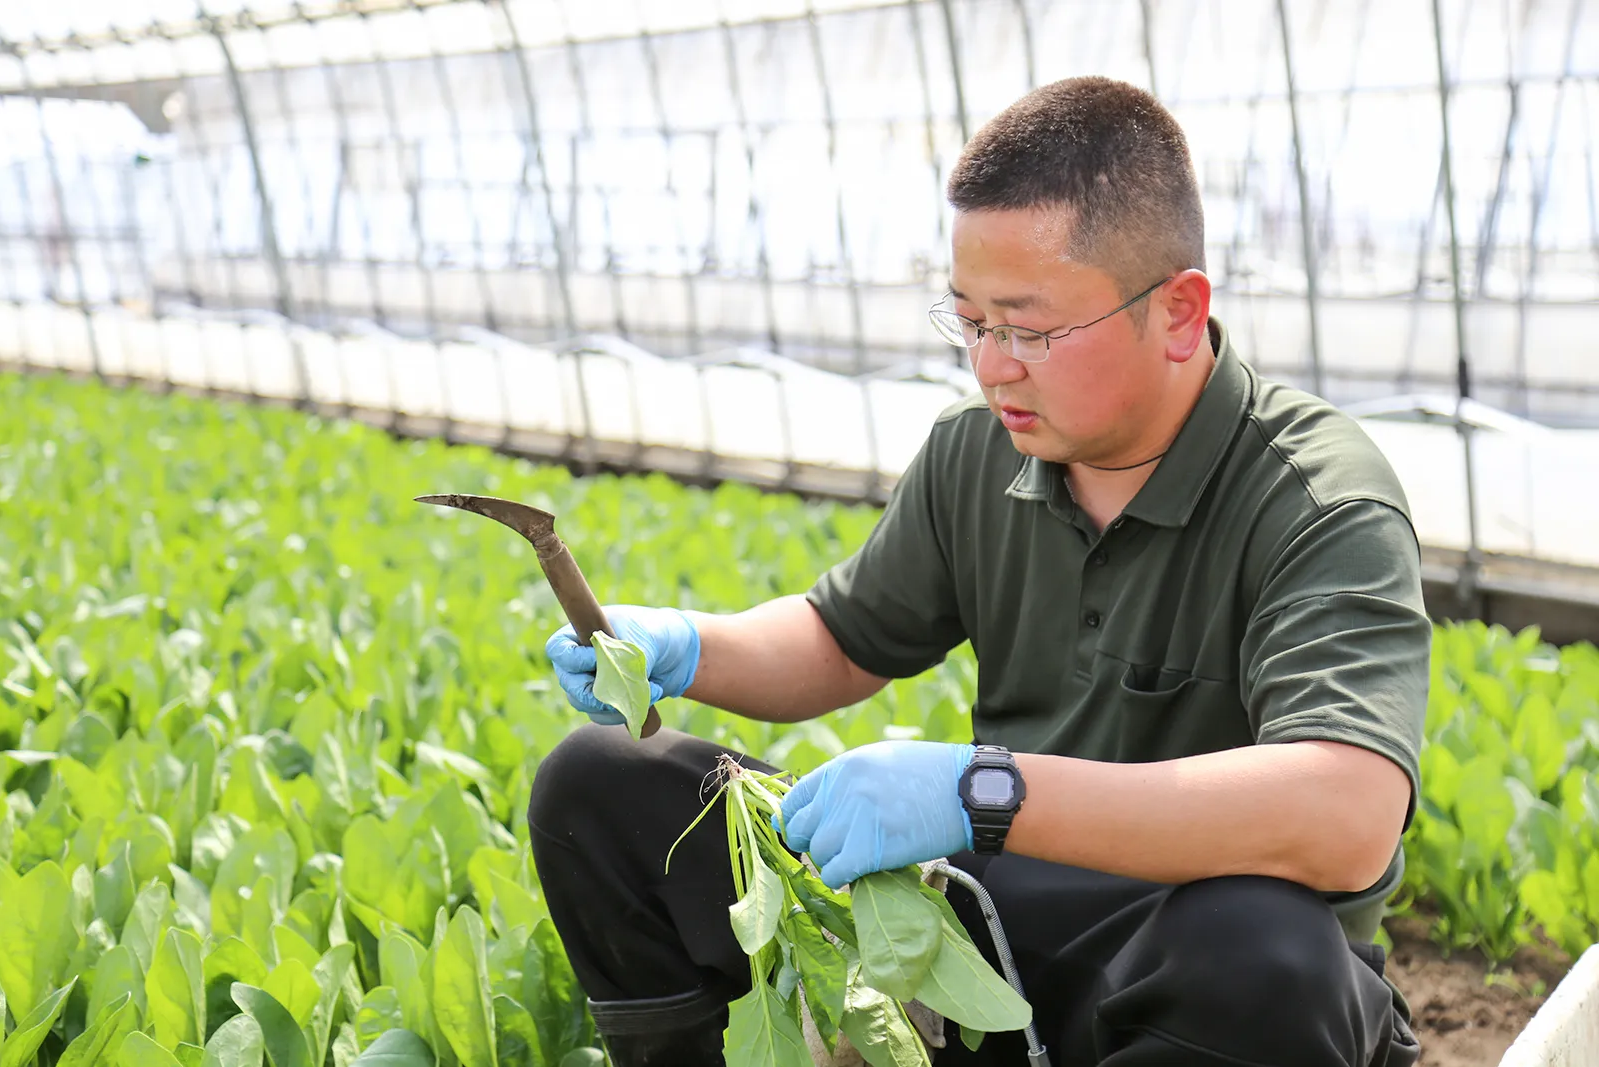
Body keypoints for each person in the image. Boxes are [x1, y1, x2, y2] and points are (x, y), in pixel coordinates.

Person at [528, 75, 1429, 1067]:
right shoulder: (979, 450)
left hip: (1192, 976)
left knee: (1265, 954)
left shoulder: (1315, 497)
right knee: (603, 785)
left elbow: (1346, 814)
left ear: (1176, 311)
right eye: (968, 321)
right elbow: (839, 639)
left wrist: (982, 791)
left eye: (1029, 328)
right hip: (993, 931)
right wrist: (684, 644)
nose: (992, 365)